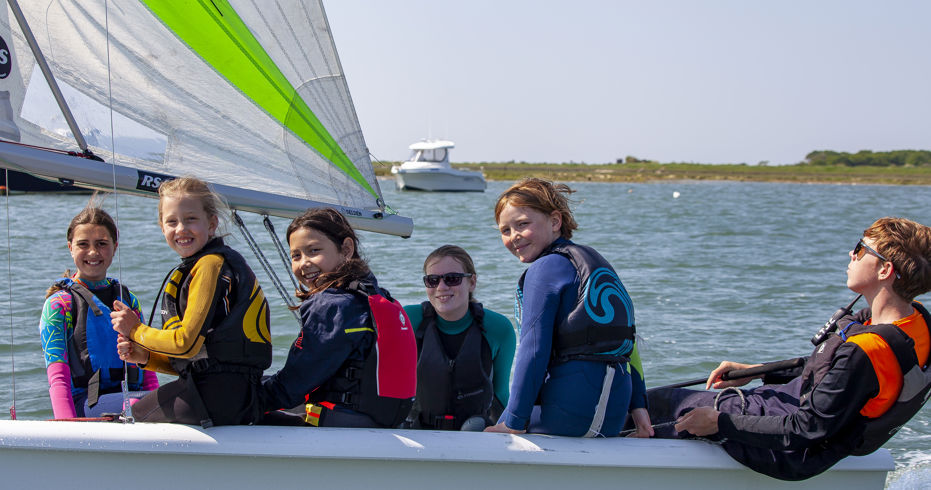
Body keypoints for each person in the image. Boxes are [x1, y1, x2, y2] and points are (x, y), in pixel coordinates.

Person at [652, 217, 931, 481]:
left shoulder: (867, 350)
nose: (851, 254)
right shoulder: (915, 321)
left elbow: (807, 428)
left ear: (885, 270)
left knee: (663, 404)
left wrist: (718, 423)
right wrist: (760, 371)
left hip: (793, 451)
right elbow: (835, 373)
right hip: (800, 408)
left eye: (861, 249)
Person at [485, 178, 652, 437]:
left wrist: (513, 422)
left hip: (570, 414)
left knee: (487, 423)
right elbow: (627, 343)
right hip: (613, 415)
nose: (514, 236)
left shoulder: (543, 269)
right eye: (505, 230)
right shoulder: (595, 262)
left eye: (523, 224)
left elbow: (534, 349)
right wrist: (640, 410)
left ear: (555, 221)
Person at [112, 177, 272, 426]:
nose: (181, 229)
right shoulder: (201, 266)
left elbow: (184, 343)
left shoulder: (209, 265)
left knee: (128, 421)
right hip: (228, 394)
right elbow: (195, 360)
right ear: (162, 227)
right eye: (172, 222)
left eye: (191, 219)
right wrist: (145, 357)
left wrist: (135, 329)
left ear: (212, 224)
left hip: (221, 396)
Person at [260, 208, 416, 428]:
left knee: (246, 414)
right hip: (378, 423)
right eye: (296, 255)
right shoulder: (375, 295)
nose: (303, 262)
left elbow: (294, 383)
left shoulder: (332, 304)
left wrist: (245, 402)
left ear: (346, 249)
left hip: (341, 427)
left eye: (314, 250)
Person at [40, 198, 158, 419]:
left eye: (102, 243)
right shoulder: (59, 305)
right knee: (143, 402)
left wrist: (159, 401)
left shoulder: (128, 300)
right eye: (83, 244)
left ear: (115, 246)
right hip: (86, 403)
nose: (93, 252)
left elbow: (147, 367)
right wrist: (67, 425)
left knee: (176, 395)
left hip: (134, 399)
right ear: (70, 248)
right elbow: (58, 376)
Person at [403, 245, 516, 430]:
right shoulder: (409, 320)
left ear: (472, 282)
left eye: (452, 279)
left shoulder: (498, 328)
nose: (441, 287)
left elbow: (501, 393)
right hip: (417, 431)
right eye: (432, 280)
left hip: (475, 431)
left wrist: (512, 427)